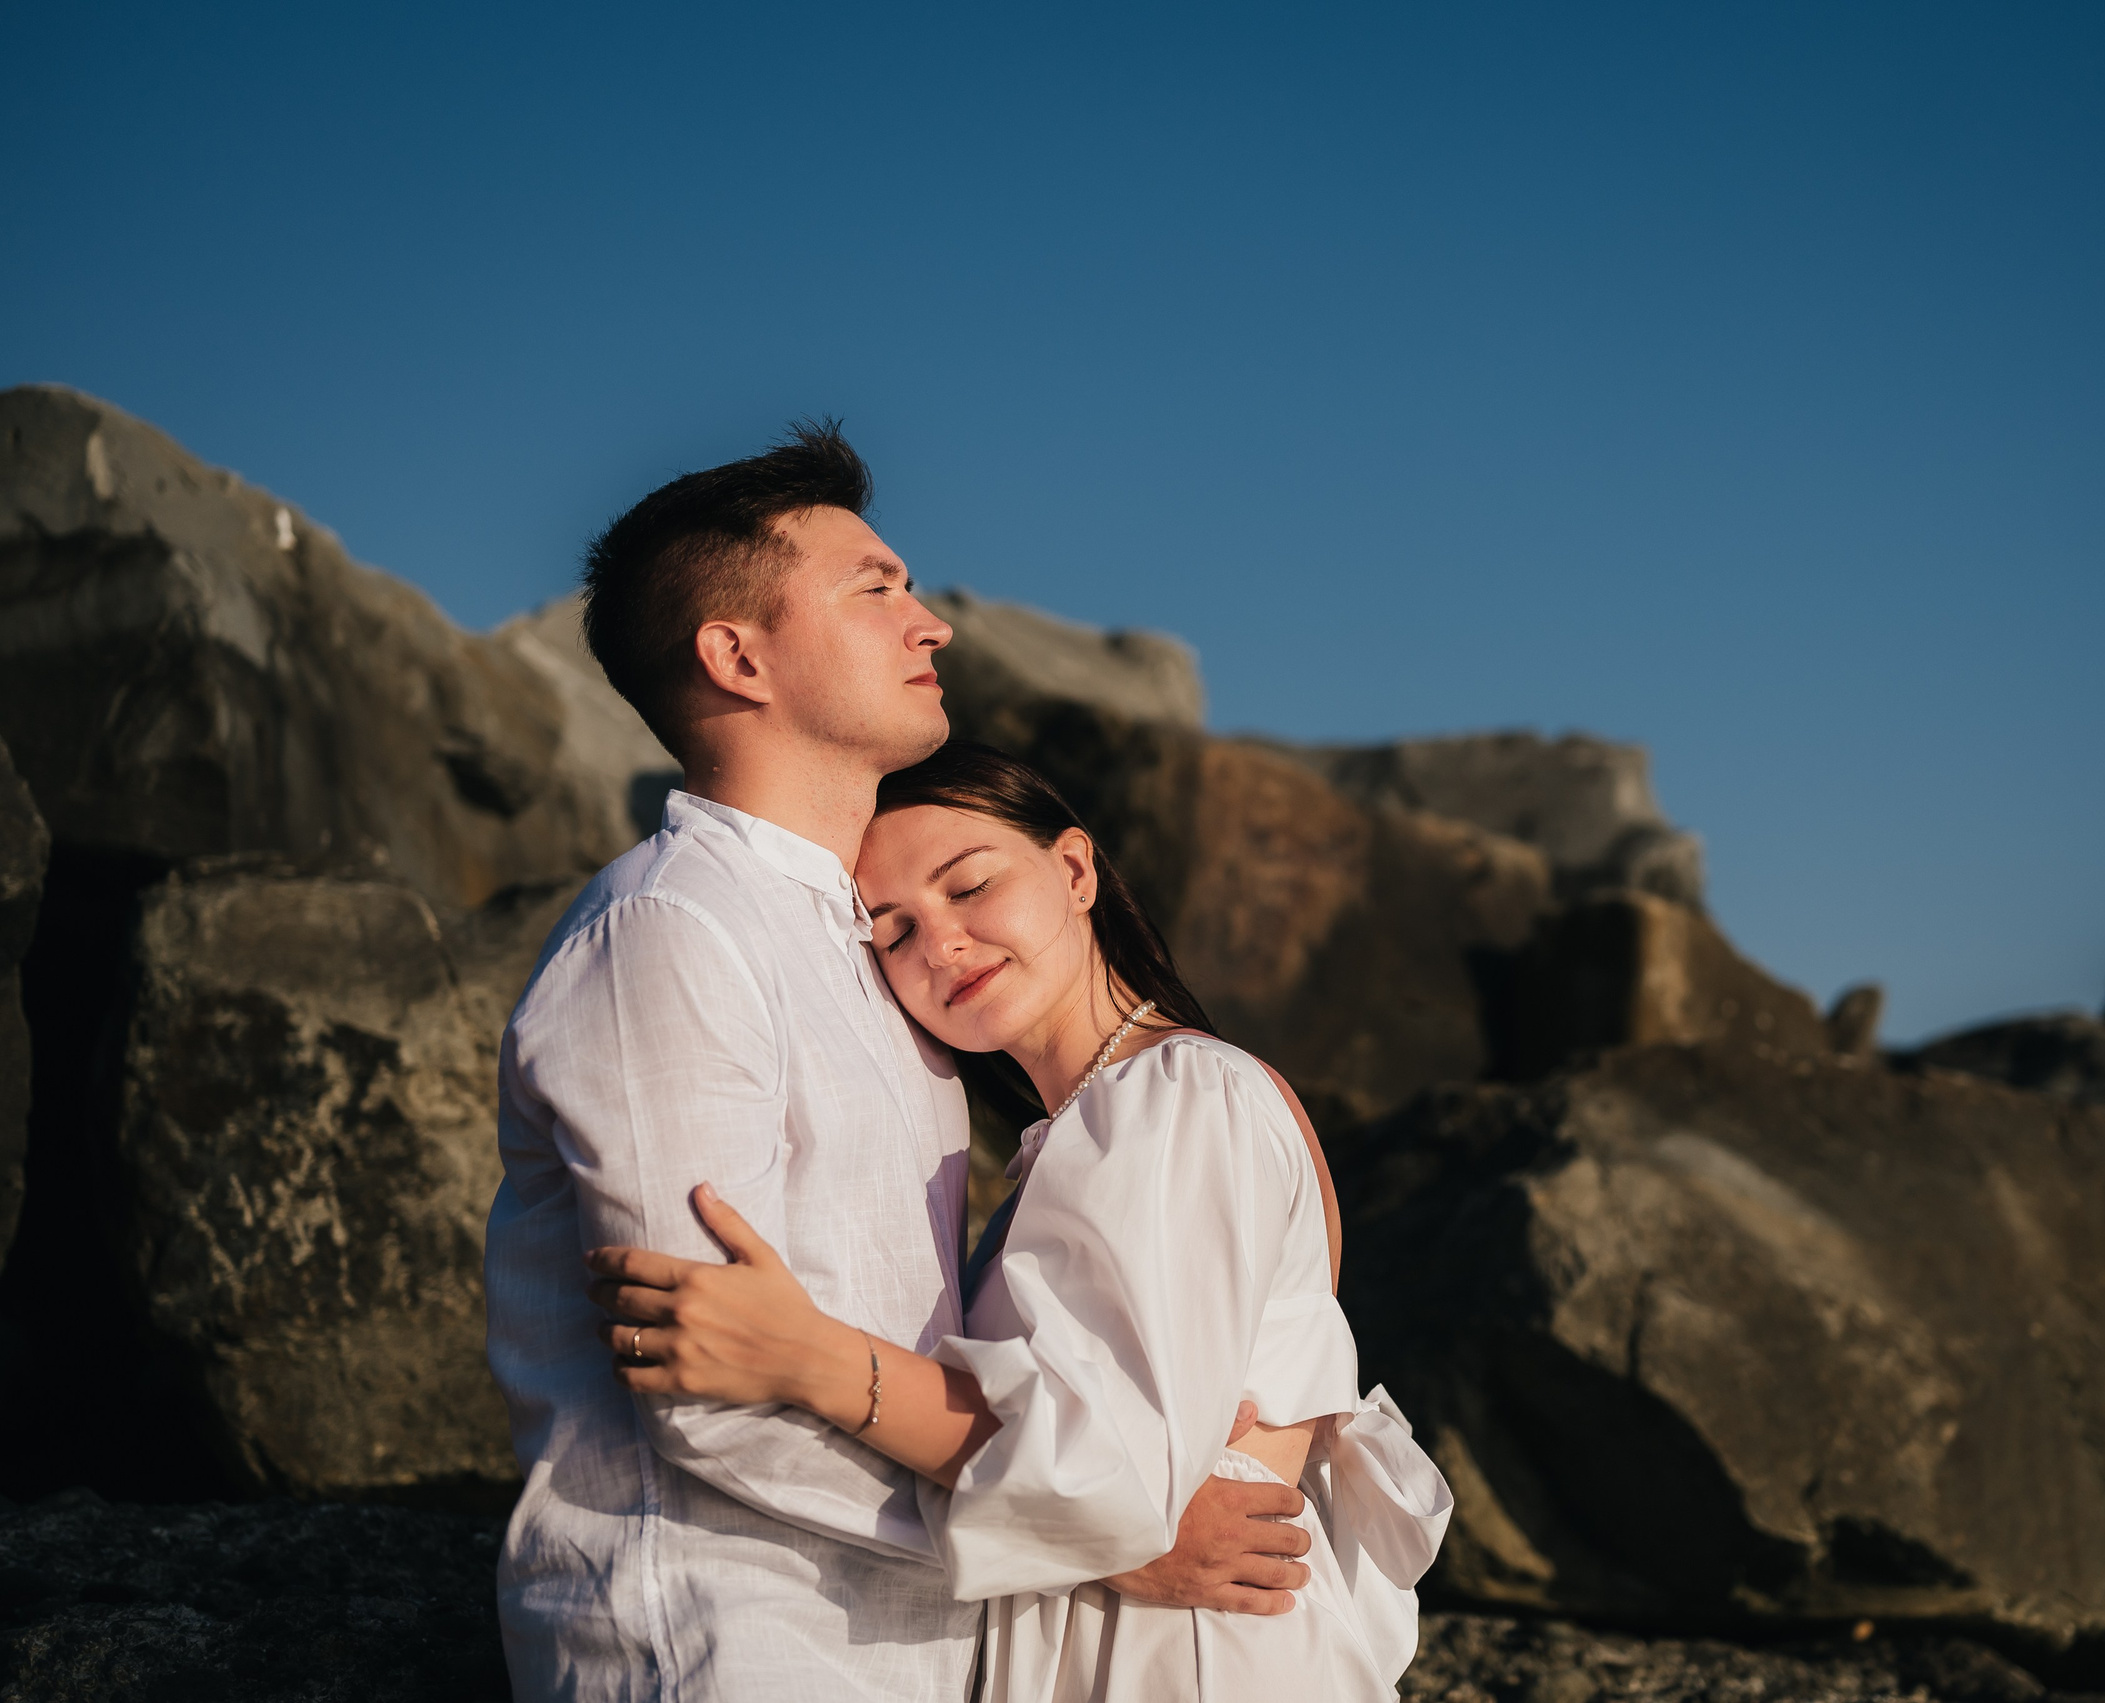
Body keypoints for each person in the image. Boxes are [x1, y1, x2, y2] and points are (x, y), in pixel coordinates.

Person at [484, 425, 1316, 1703]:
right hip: (728, 1638)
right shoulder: (673, 927)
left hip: (903, 1646)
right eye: (874, 587)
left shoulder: (866, 952)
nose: (929, 625)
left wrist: (1086, 1517)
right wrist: (1111, 1530)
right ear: (736, 653)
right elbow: (702, 1379)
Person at [586, 741, 1454, 1701]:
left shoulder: (1178, 1096)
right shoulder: (1093, 1127)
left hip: (1184, 1658)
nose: (942, 945)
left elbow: (1112, 1475)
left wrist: (810, 1356)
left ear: (1075, 869)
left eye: (970, 887)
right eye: (894, 931)